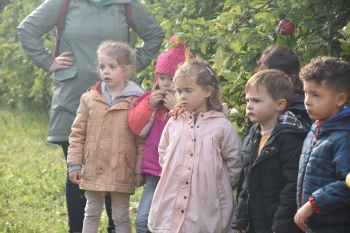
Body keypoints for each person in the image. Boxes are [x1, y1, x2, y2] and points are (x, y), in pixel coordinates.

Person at [17, 1, 164, 232]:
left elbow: (155, 33)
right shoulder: (63, 2)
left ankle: (115, 228)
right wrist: (48, 61)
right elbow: (26, 29)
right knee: (77, 172)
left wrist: (129, 67)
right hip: (72, 98)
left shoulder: (126, 3)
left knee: (114, 167)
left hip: (120, 102)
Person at [148, 58, 242, 233]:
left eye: (188, 90)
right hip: (173, 195)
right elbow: (164, 152)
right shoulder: (174, 122)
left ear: (207, 91)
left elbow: (234, 164)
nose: (182, 96)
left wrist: (216, 185)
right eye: (179, 91)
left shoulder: (221, 127)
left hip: (207, 202)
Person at [67, 41, 145, 233]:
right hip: (93, 166)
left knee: (120, 216)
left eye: (112, 66)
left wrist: (138, 170)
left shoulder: (137, 101)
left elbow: (141, 139)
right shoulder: (90, 98)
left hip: (121, 168)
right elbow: (77, 133)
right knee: (91, 213)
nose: (106, 71)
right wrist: (75, 164)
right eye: (102, 67)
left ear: (126, 70)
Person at [127, 34, 193, 233]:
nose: (165, 84)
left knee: (172, 224)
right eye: (161, 78)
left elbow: (193, 130)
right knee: (142, 221)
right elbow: (136, 127)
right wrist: (149, 105)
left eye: (171, 79)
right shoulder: (149, 100)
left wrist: (177, 108)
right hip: (155, 173)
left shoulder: (190, 106)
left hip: (180, 174)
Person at [232, 69, 308, 233]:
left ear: (280, 104)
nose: (249, 106)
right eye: (247, 100)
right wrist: (241, 221)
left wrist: (280, 226)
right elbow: (247, 185)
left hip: (280, 224)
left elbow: (293, 186)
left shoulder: (290, 138)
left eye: (257, 101)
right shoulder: (252, 137)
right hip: (256, 223)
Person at [294, 57, 350, 233]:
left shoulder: (344, 136)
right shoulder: (316, 129)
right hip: (315, 226)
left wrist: (313, 204)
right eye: (305, 93)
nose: (307, 101)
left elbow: (347, 184)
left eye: (315, 95)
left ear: (340, 99)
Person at [246, 45, 312, 136]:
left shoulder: (303, 109)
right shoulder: (256, 108)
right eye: (261, 75)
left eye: (270, 78)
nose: (261, 81)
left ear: (291, 80)